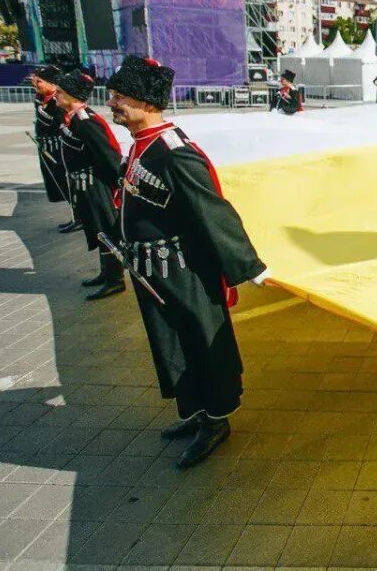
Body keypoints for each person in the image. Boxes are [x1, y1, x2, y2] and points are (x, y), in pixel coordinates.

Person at [105, 56, 272, 469]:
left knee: (201, 344)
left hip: (184, 273)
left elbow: (212, 210)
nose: (112, 104)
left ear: (145, 102)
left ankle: (215, 421)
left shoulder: (174, 152)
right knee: (173, 345)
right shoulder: (142, 145)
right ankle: (194, 411)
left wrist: (249, 266)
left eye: (120, 97)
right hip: (153, 273)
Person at [54, 70, 125, 301]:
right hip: (86, 185)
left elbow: (108, 155)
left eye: (60, 92)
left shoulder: (86, 122)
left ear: (73, 95)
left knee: (105, 229)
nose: (56, 96)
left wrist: (116, 185)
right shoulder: (73, 117)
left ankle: (115, 279)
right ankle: (106, 273)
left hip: (96, 186)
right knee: (97, 229)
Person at [30, 65, 77, 233]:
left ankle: (79, 217)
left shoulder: (59, 102)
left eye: (39, 81)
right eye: (34, 81)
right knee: (57, 183)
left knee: (66, 183)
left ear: (52, 83)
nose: (35, 84)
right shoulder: (41, 98)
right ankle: (76, 215)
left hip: (59, 149)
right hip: (47, 147)